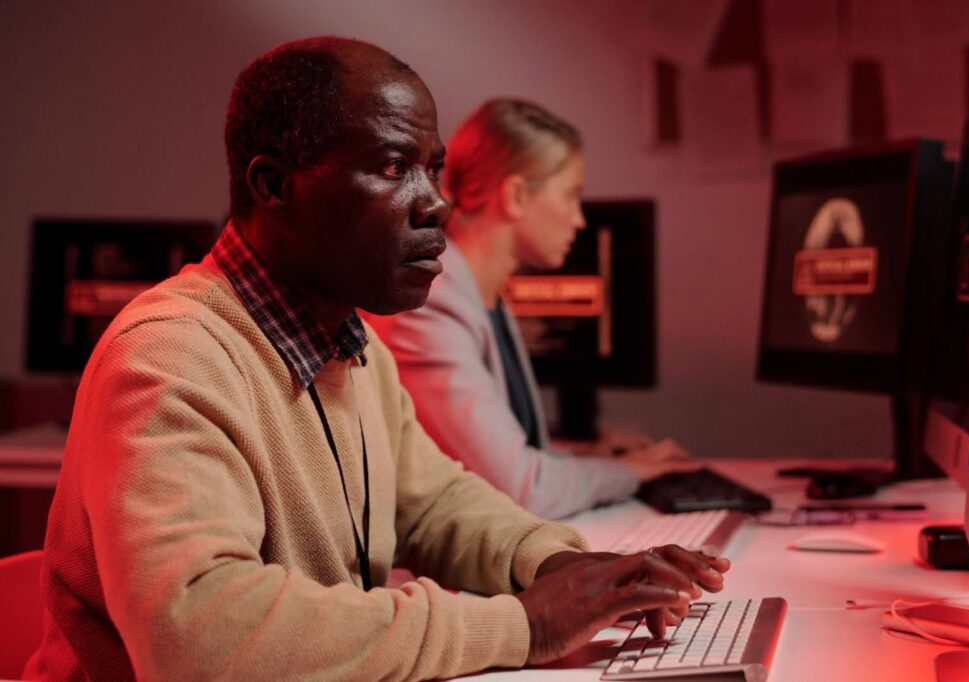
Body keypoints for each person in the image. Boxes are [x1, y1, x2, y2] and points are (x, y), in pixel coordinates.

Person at [24, 38, 729, 681]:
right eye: (394, 168)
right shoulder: (171, 356)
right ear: (274, 186)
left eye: (433, 169)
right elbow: (197, 636)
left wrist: (562, 566)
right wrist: (524, 625)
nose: (437, 204)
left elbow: (433, 505)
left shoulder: (350, 345)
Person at [370, 99, 694, 519]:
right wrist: (629, 472)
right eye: (571, 196)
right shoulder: (430, 303)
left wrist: (583, 459)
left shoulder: (483, 295)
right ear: (517, 196)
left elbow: (504, 463)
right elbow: (522, 490)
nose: (579, 220)